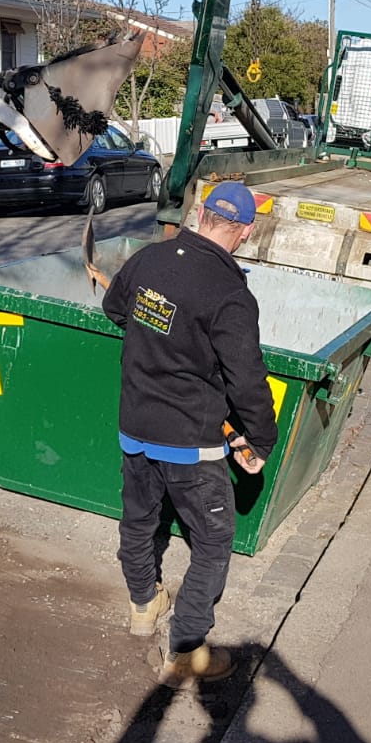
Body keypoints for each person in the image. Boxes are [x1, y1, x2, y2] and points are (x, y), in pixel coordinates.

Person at [102, 180, 279, 689]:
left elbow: (117, 308)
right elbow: (247, 378)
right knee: (213, 540)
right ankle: (185, 650)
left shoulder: (149, 260)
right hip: (190, 441)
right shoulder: (230, 294)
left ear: (200, 213)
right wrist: (260, 441)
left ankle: (143, 606)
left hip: (135, 426)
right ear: (244, 232)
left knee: (139, 522)